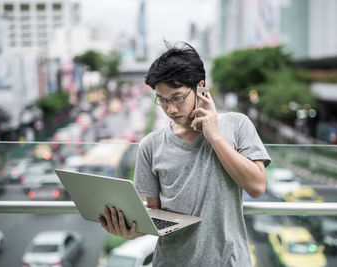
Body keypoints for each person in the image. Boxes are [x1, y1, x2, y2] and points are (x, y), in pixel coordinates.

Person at [98, 42, 271, 266]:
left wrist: (214, 137)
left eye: (177, 97)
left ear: (200, 87)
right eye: (162, 100)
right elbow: (154, 214)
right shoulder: (151, 145)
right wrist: (132, 231)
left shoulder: (237, 125)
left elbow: (257, 187)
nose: (170, 109)